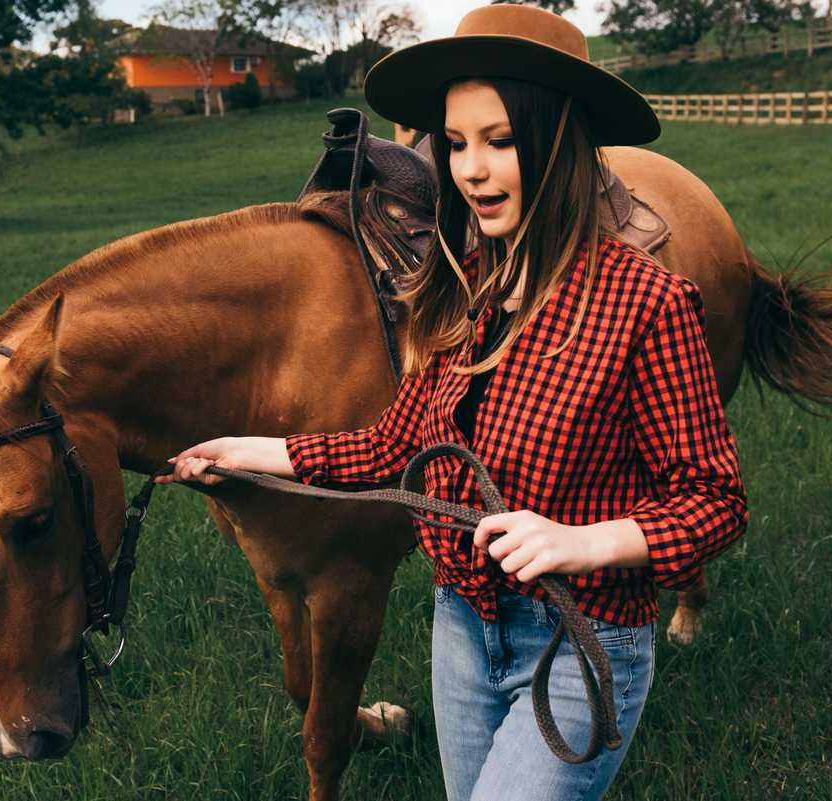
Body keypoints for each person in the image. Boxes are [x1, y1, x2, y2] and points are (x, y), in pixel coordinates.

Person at [158, 5, 747, 799]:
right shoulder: (466, 292)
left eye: (499, 140)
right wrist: (245, 451)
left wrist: (583, 542)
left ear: (560, 140)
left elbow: (715, 501)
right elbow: (393, 447)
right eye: (457, 143)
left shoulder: (648, 303)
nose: (471, 170)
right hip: (463, 627)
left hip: (581, 638)